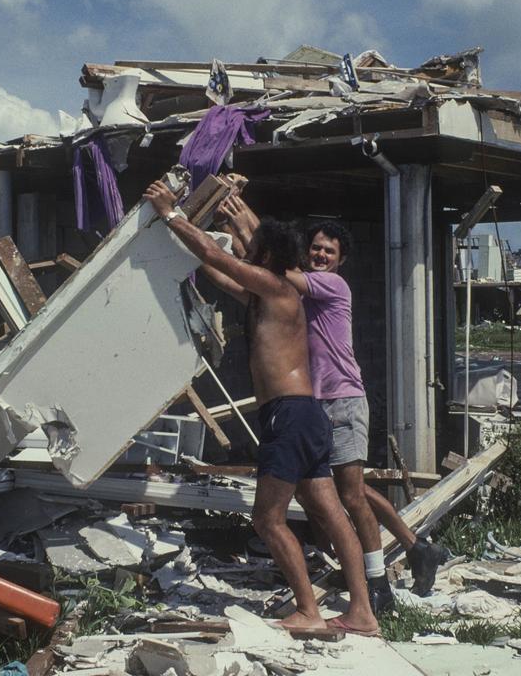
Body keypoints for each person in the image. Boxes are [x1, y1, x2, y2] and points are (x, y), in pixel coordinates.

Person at [142, 180, 379, 636]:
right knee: (330, 513)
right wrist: (211, 227)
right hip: (306, 414)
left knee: (267, 518)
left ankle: (308, 610)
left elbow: (221, 258)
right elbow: (218, 271)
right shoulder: (264, 295)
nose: (249, 255)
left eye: (256, 252)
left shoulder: (276, 287)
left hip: (289, 417)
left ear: (267, 258)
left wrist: (172, 215)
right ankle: (363, 614)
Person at [219, 196, 449, 606]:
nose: (321, 254)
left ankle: (377, 583)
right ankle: (415, 548)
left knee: (351, 495)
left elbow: (270, 259)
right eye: (316, 248)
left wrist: (242, 219)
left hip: (340, 400)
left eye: (330, 250)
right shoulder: (293, 292)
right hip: (312, 407)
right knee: (340, 492)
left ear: (340, 260)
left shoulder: (328, 285)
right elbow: (259, 268)